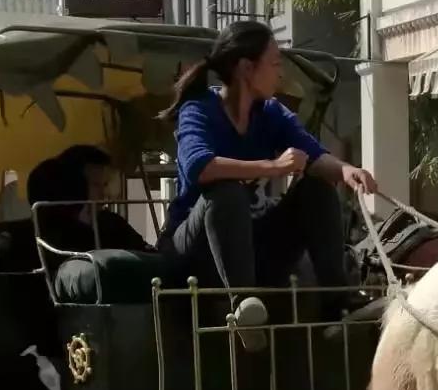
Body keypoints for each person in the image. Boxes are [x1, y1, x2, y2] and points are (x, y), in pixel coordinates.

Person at [162, 19, 377, 336]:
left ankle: (336, 302)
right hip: (195, 252)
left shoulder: (271, 113)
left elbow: (313, 155)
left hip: (250, 244)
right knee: (225, 192)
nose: (280, 73)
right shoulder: (198, 109)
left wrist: (346, 170)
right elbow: (200, 167)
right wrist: (273, 167)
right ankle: (243, 308)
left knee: (316, 189)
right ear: (247, 69)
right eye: (275, 63)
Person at [0, 145, 148, 319]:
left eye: (106, 185)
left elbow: (145, 255)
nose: (105, 195)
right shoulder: (30, 233)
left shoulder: (112, 224)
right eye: (98, 186)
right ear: (70, 185)